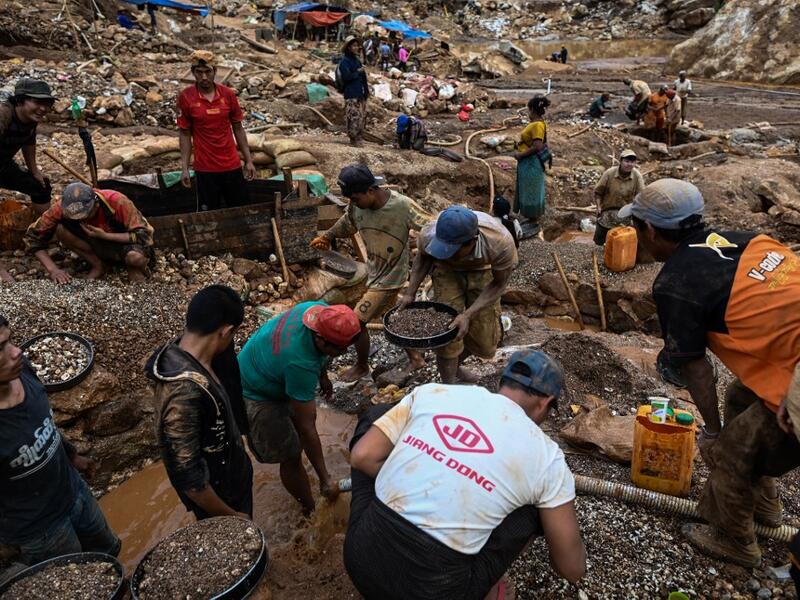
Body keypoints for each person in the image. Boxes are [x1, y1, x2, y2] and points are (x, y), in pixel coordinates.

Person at [618, 178, 800, 568]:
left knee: (733, 450)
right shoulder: (749, 240)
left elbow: (696, 369)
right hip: (790, 360)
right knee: (739, 398)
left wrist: (714, 433)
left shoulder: (677, 285)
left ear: (649, 230)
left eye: (636, 225)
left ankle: (734, 539)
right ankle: (765, 505)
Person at [344, 350, 586, 599]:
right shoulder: (548, 459)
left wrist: (421, 476)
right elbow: (572, 569)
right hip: (438, 590)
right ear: (545, 402)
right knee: (535, 509)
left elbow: (362, 457)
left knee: (377, 417)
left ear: (504, 383)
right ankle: (491, 588)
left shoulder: (435, 393)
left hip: (360, 560)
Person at [0, 315, 120, 576]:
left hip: (73, 491)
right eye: (1, 348)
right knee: (79, 582)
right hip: (41, 529)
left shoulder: (25, 371)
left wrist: (73, 456)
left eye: (10, 340)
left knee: (110, 554)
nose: (16, 351)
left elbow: (44, 424)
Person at [239, 302, 360, 514]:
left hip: (270, 363)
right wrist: (325, 479)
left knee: (298, 432)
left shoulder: (318, 310)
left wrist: (323, 376)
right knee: (291, 455)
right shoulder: (300, 363)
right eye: (340, 349)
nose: (344, 353)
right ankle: (309, 510)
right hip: (255, 391)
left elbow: (323, 354)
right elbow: (307, 427)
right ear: (320, 339)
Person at [310, 165, 429, 382]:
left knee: (355, 323)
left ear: (371, 190)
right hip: (374, 273)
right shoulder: (357, 207)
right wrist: (327, 236)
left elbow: (431, 226)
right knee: (390, 317)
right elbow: (347, 223)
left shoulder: (402, 206)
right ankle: (415, 358)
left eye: (356, 198)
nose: (353, 204)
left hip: (391, 279)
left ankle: (362, 365)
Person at [147, 286, 253, 521]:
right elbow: (190, 479)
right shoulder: (182, 393)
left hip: (232, 469)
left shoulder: (213, 353)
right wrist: (232, 517)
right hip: (219, 494)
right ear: (226, 332)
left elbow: (232, 396)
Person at [399, 205, 518, 384]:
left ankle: (455, 367)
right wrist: (410, 293)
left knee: (485, 341)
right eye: (442, 248)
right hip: (447, 271)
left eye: (451, 249)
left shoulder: (500, 243)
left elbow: (499, 283)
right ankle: (448, 385)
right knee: (447, 331)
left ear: (472, 241)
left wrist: (468, 315)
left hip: (483, 270)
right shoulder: (429, 234)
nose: (446, 253)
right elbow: (423, 258)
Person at [25, 182, 154, 283]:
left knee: (135, 258)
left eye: (86, 215)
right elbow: (32, 238)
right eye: (76, 217)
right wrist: (53, 270)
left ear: (96, 205)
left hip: (123, 242)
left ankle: (132, 267)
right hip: (93, 243)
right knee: (60, 229)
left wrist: (105, 235)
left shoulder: (117, 201)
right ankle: (98, 265)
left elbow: (144, 235)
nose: (82, 219)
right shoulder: (61, 208)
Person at [178, 50, 256, 212]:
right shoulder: (186, 97)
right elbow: (185, 133)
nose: (204, 77)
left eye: (208, 72)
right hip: (205, 169)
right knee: (209, 216)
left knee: (241, 212)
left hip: (231, 165)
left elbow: (238, 129)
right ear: (193, 73)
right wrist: (185, 167)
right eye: (199, 72)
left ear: (215, 71)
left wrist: (248, 160)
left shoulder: (227, 95)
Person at [0, 79, 55, 216]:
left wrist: (34, 171)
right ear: (20, 100)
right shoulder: (3, 114)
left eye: (46, 104)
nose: (43, 109)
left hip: (3, 165)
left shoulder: (31, 118)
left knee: (40, 186)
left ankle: (43, 230)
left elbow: (29, 142)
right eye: (37, 102)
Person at [514, 95, 551, 233]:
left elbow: (537, 146)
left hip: (531, 163)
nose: (528, 113)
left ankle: (533, 219)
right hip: (528, 162)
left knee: (531, 190)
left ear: (532, 110)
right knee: (528, 188)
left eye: (529, 110)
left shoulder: (537, 125)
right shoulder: (536, 124)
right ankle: (530, 217)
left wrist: (520, 154)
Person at [592, 149, 644, 245]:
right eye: (627, 161)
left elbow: (641, 197)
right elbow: (598, 192)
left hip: (625, 215)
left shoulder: (637, 176)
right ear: (621, 161)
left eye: (632, 162)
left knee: (621, 243)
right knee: (599, 243)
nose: (629, 164)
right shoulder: (609, 173)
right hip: (607, 213)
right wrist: (598, 207)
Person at [338, 36, 370, 147]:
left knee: (361, 116)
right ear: (348, 48)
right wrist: (358, 72)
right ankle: (353, 138)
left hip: (359, 93)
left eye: (357, 45)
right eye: (354, 46)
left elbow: (363, 78)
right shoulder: (344, 62)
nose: (356, 48)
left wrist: (366, 91)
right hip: (351, 92)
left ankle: (359, 137)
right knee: (352, 116)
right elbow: (346, 77)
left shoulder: (357, 61)